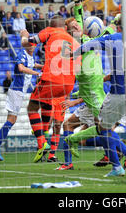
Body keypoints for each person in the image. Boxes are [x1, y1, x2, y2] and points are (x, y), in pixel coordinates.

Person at [68, 20, 126, 177]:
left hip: (120, 91)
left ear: (120, 29)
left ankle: (118, 166)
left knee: (103, 128)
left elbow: (88, 46)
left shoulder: (113, 38)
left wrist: (74, 54)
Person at [56, 0, 118, 170]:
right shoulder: (74, 44)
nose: (77, 24)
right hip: (88, 94)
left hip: (93, 94)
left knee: (104, 129)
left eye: (78, 23)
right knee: (69, 124)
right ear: (70, 30)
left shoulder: (88, 41)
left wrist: (77, 3)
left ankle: (123, 153)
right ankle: (68, 163)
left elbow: (104, 32)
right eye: (74, 25)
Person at [20, 15, 79, 163]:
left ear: (51, 26)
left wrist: (24, 36)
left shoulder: (50, 31)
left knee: (32, 107)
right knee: (46, 104)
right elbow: (78, 65)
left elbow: (29, 43)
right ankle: (47, 142)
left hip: (52, 79)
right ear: (65, 27)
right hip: (68, 84)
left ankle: (42, 143)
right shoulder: (73, 41)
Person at [0, 42, 42, 161]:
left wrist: (42, 66)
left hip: (20, 92)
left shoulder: (31, 57)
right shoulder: (22, 54)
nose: (32, 47)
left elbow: (32, 64)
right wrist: (36, 73)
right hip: (16, 91)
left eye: (34, 45)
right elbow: (21, 68)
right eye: (30, 45)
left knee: (12, 120)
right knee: (11, 119)